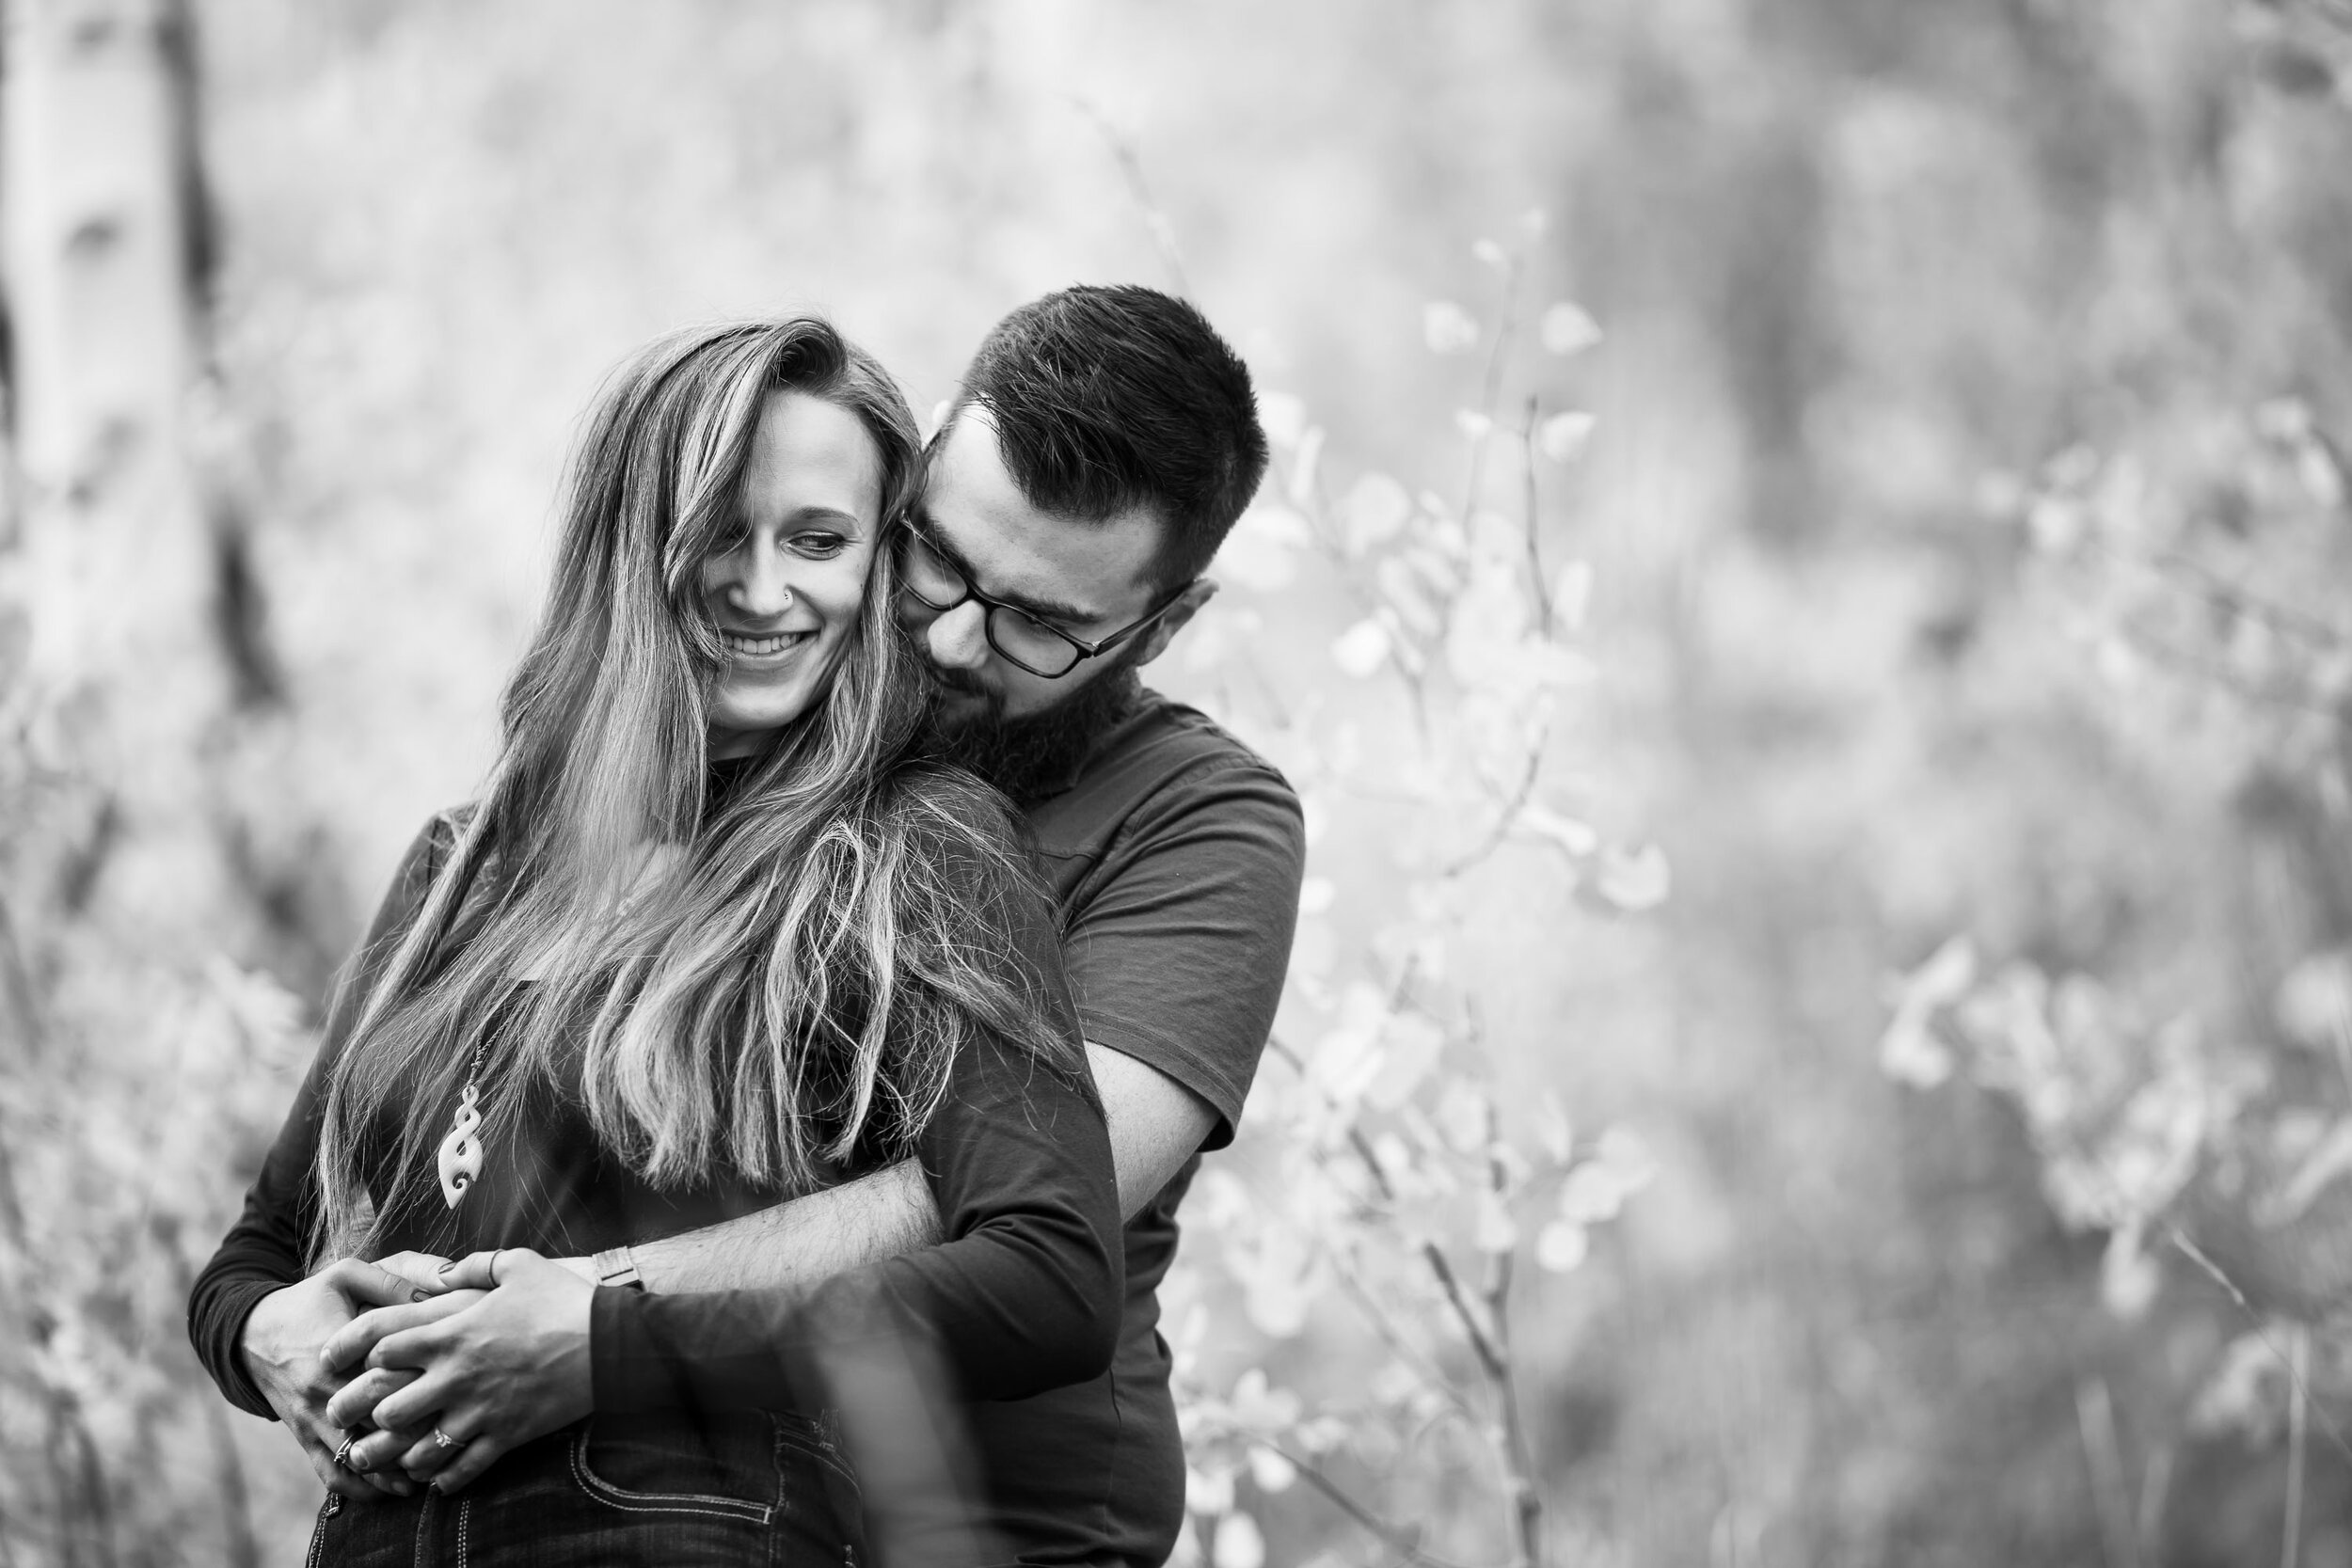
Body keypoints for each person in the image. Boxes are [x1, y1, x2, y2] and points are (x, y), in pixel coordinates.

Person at [310, 284, 1304, 1565]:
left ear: (1164, 624)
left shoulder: (1201, 818)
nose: (951, 639)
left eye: (1044, 626)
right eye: (939, 555)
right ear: (922, 462)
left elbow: (1015, 1210)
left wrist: (583, 1321)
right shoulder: (762, 722)